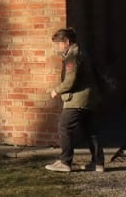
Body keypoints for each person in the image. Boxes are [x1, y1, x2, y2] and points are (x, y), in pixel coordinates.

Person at [45, 27, 105, 173]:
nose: (58, 47)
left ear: (66, 41)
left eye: (59, 43)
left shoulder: (72, 56)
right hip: (89, 99)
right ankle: (98, 163)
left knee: (64, 127)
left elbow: (70, 81)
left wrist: (56, 90)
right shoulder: (83, 52)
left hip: (76, 100)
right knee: (91, 131)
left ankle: (65, 162)